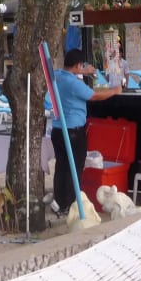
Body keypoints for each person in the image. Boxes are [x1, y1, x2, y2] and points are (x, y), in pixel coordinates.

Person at [49, 49, 122, 216]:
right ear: (77, 65)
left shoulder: (58, 76)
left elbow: (71, 71)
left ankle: (60, 203)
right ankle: (71, 205)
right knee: (74, 168)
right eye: (81, 65)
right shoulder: (74, 84)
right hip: (73, 131)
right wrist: (114, 91)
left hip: (57, 129)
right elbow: (94, 96)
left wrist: (83, 71)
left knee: (61, 167)